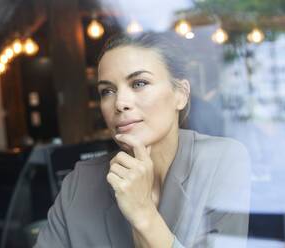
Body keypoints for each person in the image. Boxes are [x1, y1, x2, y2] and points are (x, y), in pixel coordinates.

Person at [34, 32, 250, 248]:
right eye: (107, 91)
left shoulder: (221, 162)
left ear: (181, 94)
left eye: (139, 83)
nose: (120, 103)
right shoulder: (80, 183)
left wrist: (142, 212)